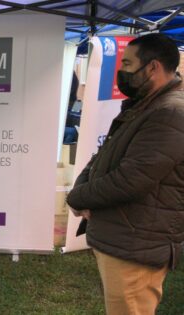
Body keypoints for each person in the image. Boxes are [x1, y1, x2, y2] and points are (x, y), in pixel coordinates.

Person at [66, 33, 184, 315]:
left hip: (137, 243)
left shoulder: (170, 112)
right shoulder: (148, 105)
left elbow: (131, 179)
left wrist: (78, 196)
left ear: (153, 67)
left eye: (128, 63)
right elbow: (104, 156)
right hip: (128, 237)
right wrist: (82, 189)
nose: (122, 71)